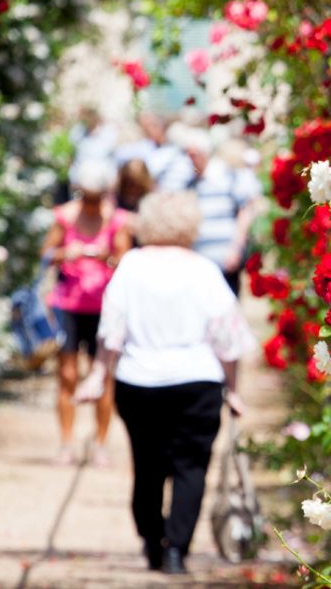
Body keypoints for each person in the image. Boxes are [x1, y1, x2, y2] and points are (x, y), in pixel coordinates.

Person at [96, 191, 253, 574]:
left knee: (146, 465)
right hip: (196, 382)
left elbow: (111, 328)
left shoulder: (130, 265)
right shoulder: (204, 269)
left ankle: (152, 540)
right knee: (191, 466)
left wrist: (99, 374)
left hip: (139, 381)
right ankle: (176, 551)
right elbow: (227, 337)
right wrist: (232, 390)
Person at [41, 158, 132, 466]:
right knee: (67, 375)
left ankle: (100, 443)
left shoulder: (117, 220)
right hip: (68, 304)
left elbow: (126, 258)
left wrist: (107, 257)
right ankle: (66, 442)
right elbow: (46, 254)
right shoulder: (64, 217)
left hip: (103, 308)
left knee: (103, 375)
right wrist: (67, 253)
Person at [161, 126, 261, 296]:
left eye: (194, 154)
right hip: (197, 265)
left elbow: (245, 210)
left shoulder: (226, 176)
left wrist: (236, 248)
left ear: (205, 153)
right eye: (187, 154)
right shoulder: (187, 182)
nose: (190, 160)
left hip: (224, 261)